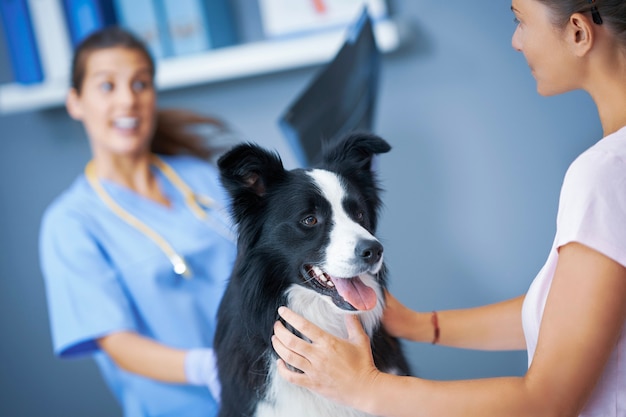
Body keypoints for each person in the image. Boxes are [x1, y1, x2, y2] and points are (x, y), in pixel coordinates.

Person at [271, 0, 626, 416]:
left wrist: (363, 387)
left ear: (580, 32)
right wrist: (421, 325)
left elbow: (546, 402)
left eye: (520, 20)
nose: (515, 41)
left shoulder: (604, 174)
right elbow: (575, 315)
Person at [39, 26, 238, 417]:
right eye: (107, 86)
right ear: (75, 102)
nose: (128, 100)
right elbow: (117, 342)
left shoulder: (200, 176)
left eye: (140, 84)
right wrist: (208, 367)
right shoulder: (70, 223)